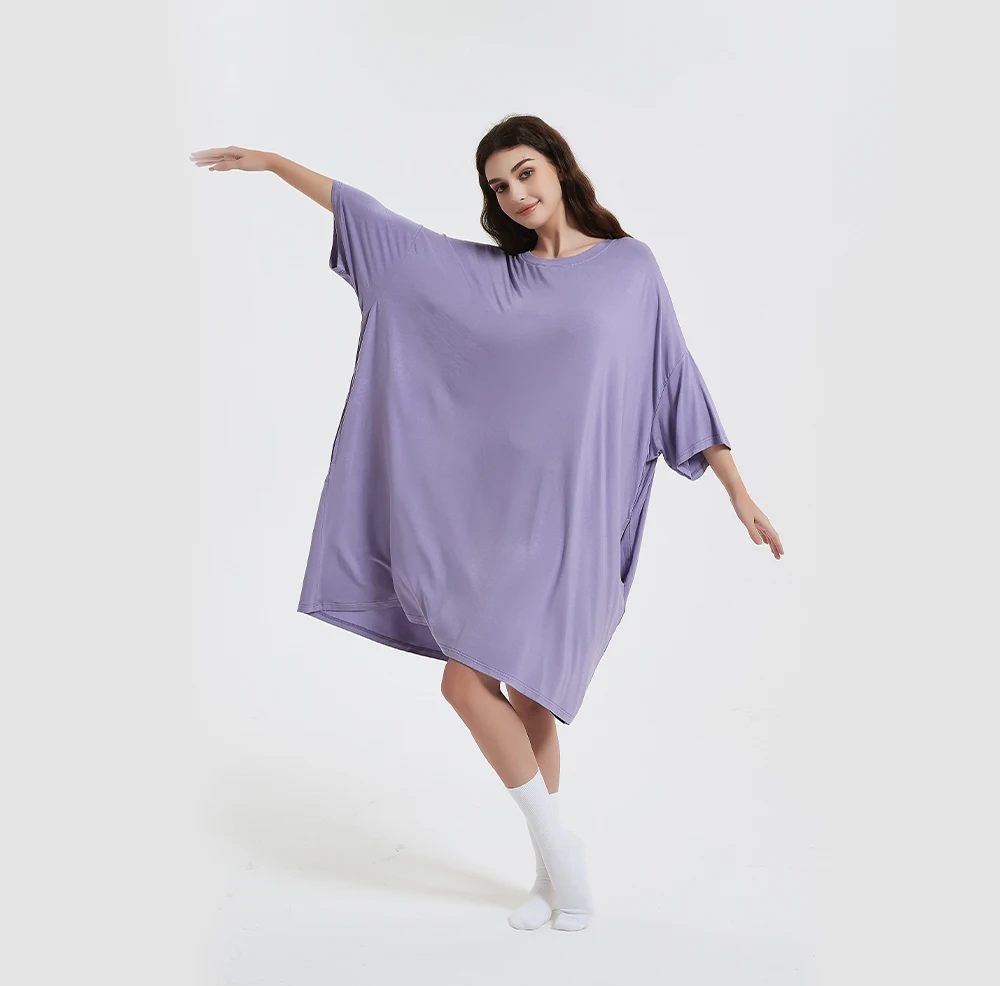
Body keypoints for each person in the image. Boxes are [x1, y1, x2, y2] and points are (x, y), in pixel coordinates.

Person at [189, 114, 784, 933]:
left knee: (528, 695)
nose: (516, 194)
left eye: (526, 172)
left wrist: (737, 491)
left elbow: (677, 378)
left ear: (559, 168)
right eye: (499, 186)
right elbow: (383, 231)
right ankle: (559, 860)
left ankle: (552, 870)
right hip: (501, 523)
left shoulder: (630, 269)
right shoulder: (495, 278)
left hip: (576, 522)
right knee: (470, 682)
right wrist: (275, 163)